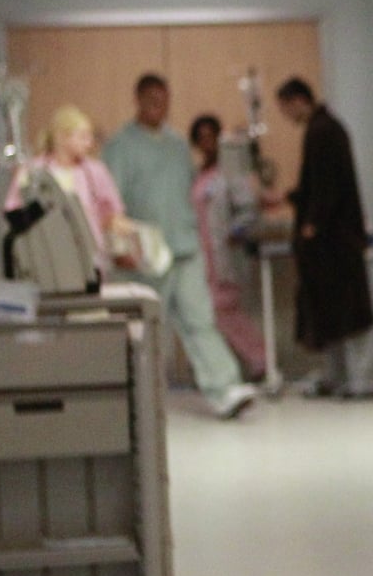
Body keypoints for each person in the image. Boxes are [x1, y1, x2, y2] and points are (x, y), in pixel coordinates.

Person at [103, 74, 259, 420]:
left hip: (185, 248)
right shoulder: (121, 146)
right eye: (152, 101)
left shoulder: (176, 146)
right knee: (145, 330)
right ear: (138, 101)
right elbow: (111, 206)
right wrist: (122, 249)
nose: (159, 108)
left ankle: (225, 389)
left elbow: (189, 193)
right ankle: (138, 397)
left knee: (200, 320)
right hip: (145, 256)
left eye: (164, 101)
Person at [275, 77, 373, 400]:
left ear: (298, 101)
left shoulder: (323, 131)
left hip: (335, 240)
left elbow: (326, 186)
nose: (286, 115)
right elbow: (316, 185)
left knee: (350, 313)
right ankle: (340, 377)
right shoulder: (325, 128)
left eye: (285, 108)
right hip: (332, 239)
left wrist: (312, 224)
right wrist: (291, 198)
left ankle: (358, 379)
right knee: (333, 313)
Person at [189, 114, 269, 382]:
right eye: (201, 138)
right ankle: (244, 363)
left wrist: (235, 232)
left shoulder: (230, 173)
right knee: (214, 312)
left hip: (225, 253)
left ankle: (260, 358)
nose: (207, 143)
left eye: (211, 137)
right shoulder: (198, 176)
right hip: (204, 255)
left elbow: (248, 208)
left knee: (224, 309)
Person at [5, 104, 131, 273]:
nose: (89, 143)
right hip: (46, 255)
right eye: (83, 137)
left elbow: (113, 212)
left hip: (90, 256)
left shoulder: (95, 171)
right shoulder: (33, 171)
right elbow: (14, 211)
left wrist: (118, 225)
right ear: (62, 137)